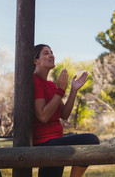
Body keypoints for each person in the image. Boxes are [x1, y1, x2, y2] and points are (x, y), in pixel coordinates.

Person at [33, 44, 100, 177]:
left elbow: (64, 114)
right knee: (91, 140)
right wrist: (61, 90)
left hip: (57, 139)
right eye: (46, 53)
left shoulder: (51, 85)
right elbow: (42, 116)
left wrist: (73, 90)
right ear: (36, 61)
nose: (51, 55)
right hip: (45, 143)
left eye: (52, 52)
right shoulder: (33, 81)